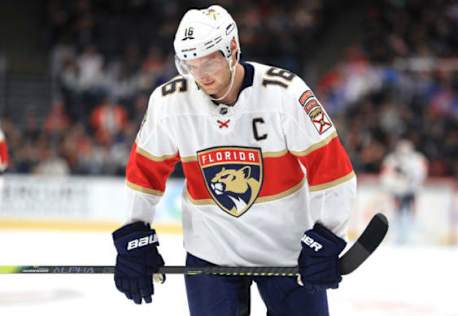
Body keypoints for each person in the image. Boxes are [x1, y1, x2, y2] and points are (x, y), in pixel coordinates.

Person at [112, 5, 356, 316]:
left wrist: (327, 237)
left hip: (286, 253)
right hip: (211, 253)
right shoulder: (169, 102)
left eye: (209, 60)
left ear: (232, 50)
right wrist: (135, 234)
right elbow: (143, 174)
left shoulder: (285, 94)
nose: (201, 75)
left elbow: (333, 172)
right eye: (190, 63)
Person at [380, 139, 427, 243]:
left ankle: (410, 234)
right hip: (397, 192)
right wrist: (394, 186)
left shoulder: (417, 160)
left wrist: (411, 183)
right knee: (396, 213)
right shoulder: (391, 160)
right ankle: (397, 235)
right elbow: (385, 177)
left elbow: (420, 175)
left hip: (411, 191)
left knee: (411, 214)